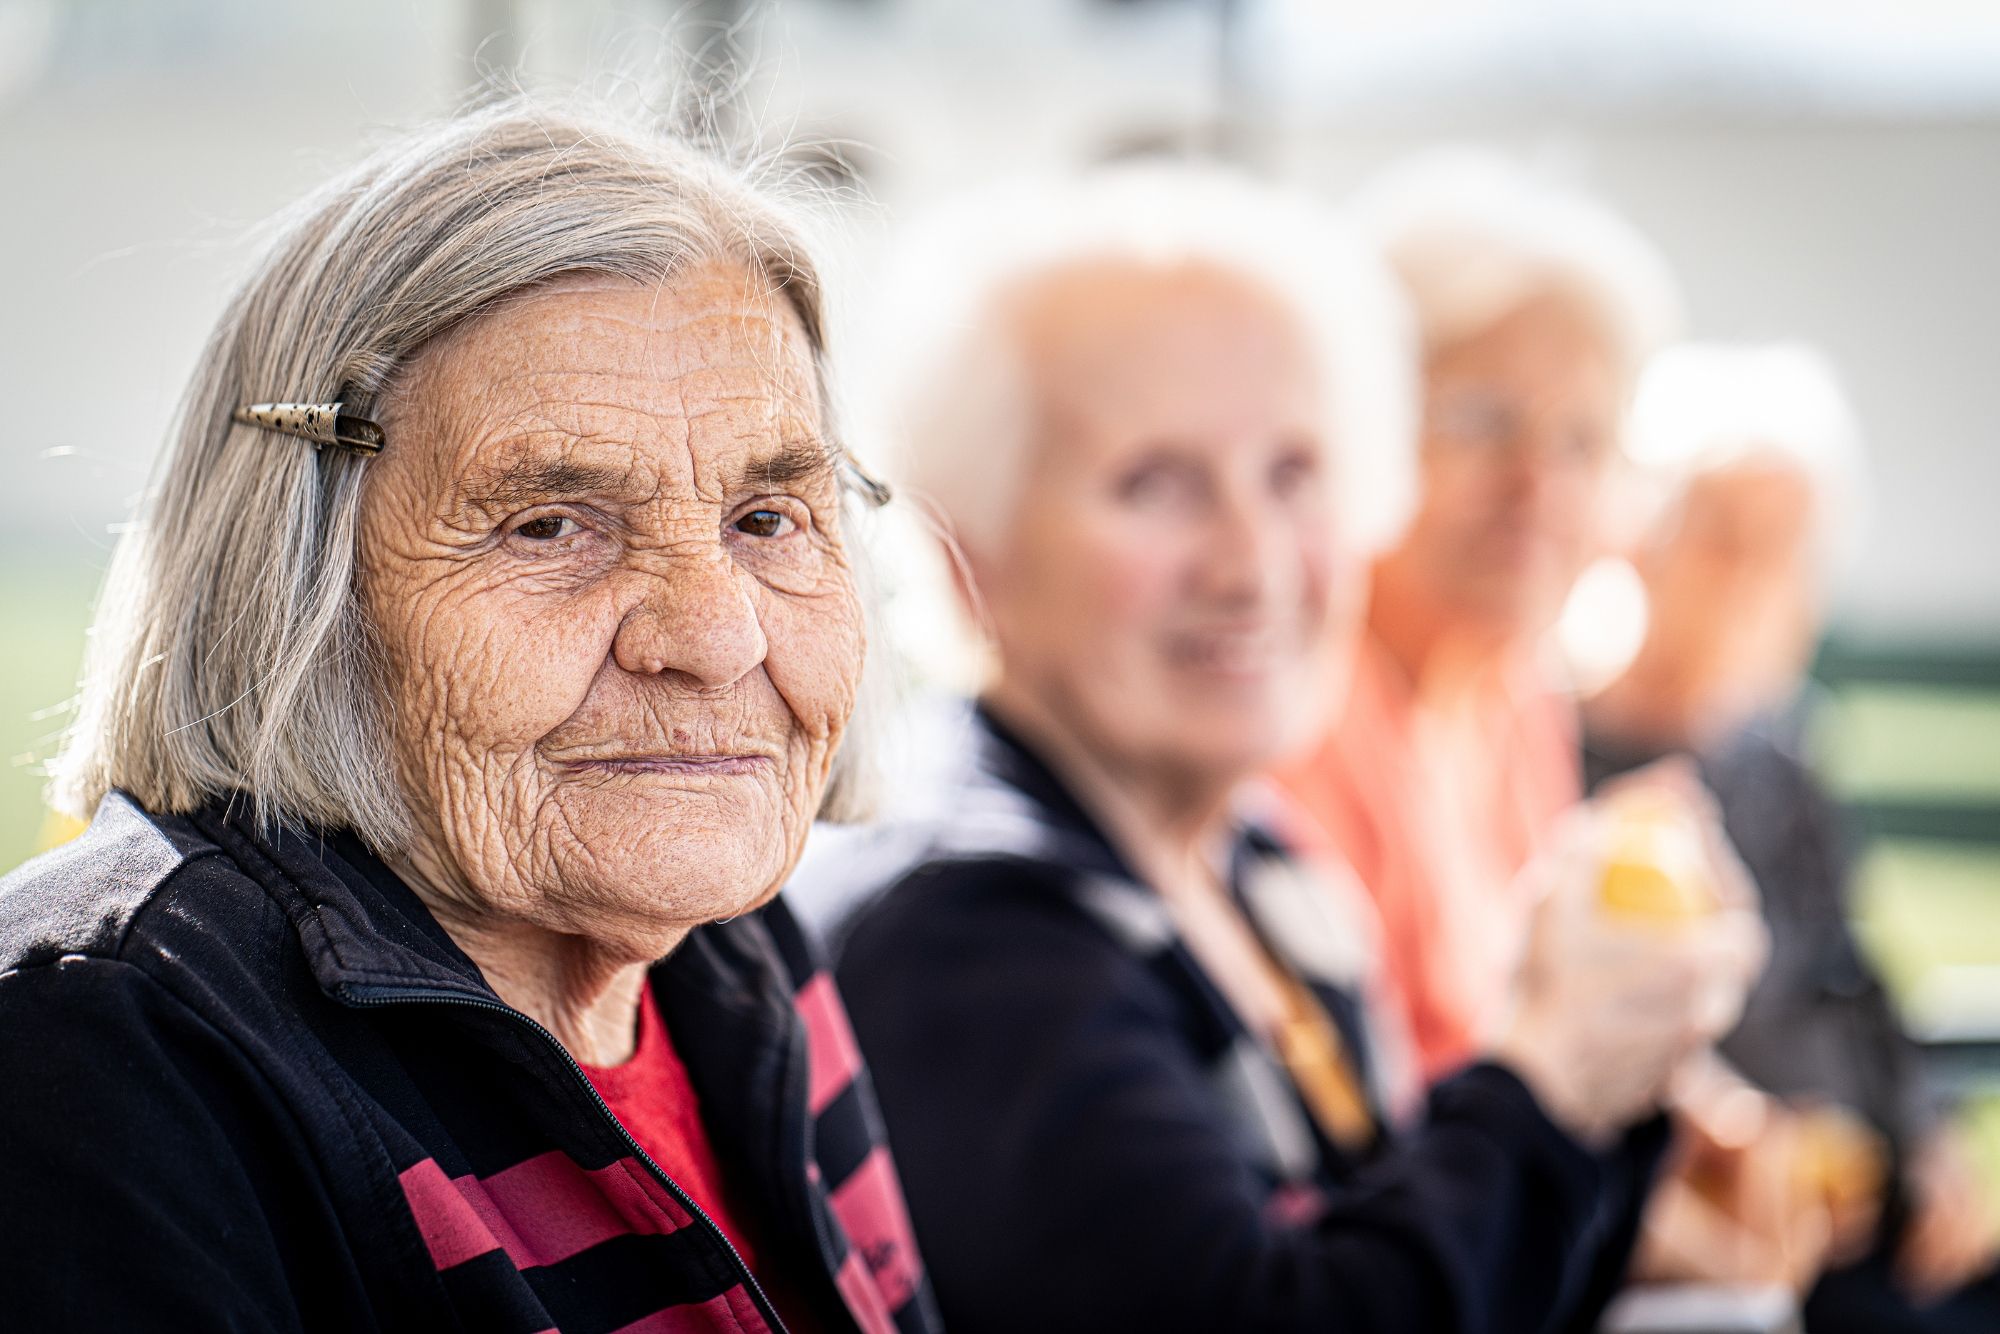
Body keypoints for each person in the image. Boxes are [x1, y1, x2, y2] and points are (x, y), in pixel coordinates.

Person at [0, 97, 938, 1333]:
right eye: (549, 525)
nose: (714, 636)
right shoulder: (107, 1051)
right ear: (298, 576)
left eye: (766, 518)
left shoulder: (730, 961)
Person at [793, 167, 1764, 1334]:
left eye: (1292, 473)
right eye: (1153, 483)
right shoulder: (968, 933)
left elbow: (1414, 1248)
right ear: (970, 549)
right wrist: (1549, 1080)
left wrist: (1614, 1085)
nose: (1249, 562)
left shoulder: (1254, 858)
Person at [1584, 343, 2000, 1331]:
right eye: (1721, 539)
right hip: (1716, 1217)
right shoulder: (1568, 754)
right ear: (1644, 541)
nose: (1751, 581)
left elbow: (1853, 977)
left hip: (1872, 1200)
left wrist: (1930, 1140)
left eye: (1785, 553)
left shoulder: (1781, 757)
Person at [1270, 149, 1688, 1084]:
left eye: (1581, 439)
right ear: (1361, 424)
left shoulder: (1514, 692)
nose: (1535, 484)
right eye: (1483, 421)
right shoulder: (1289, 704)